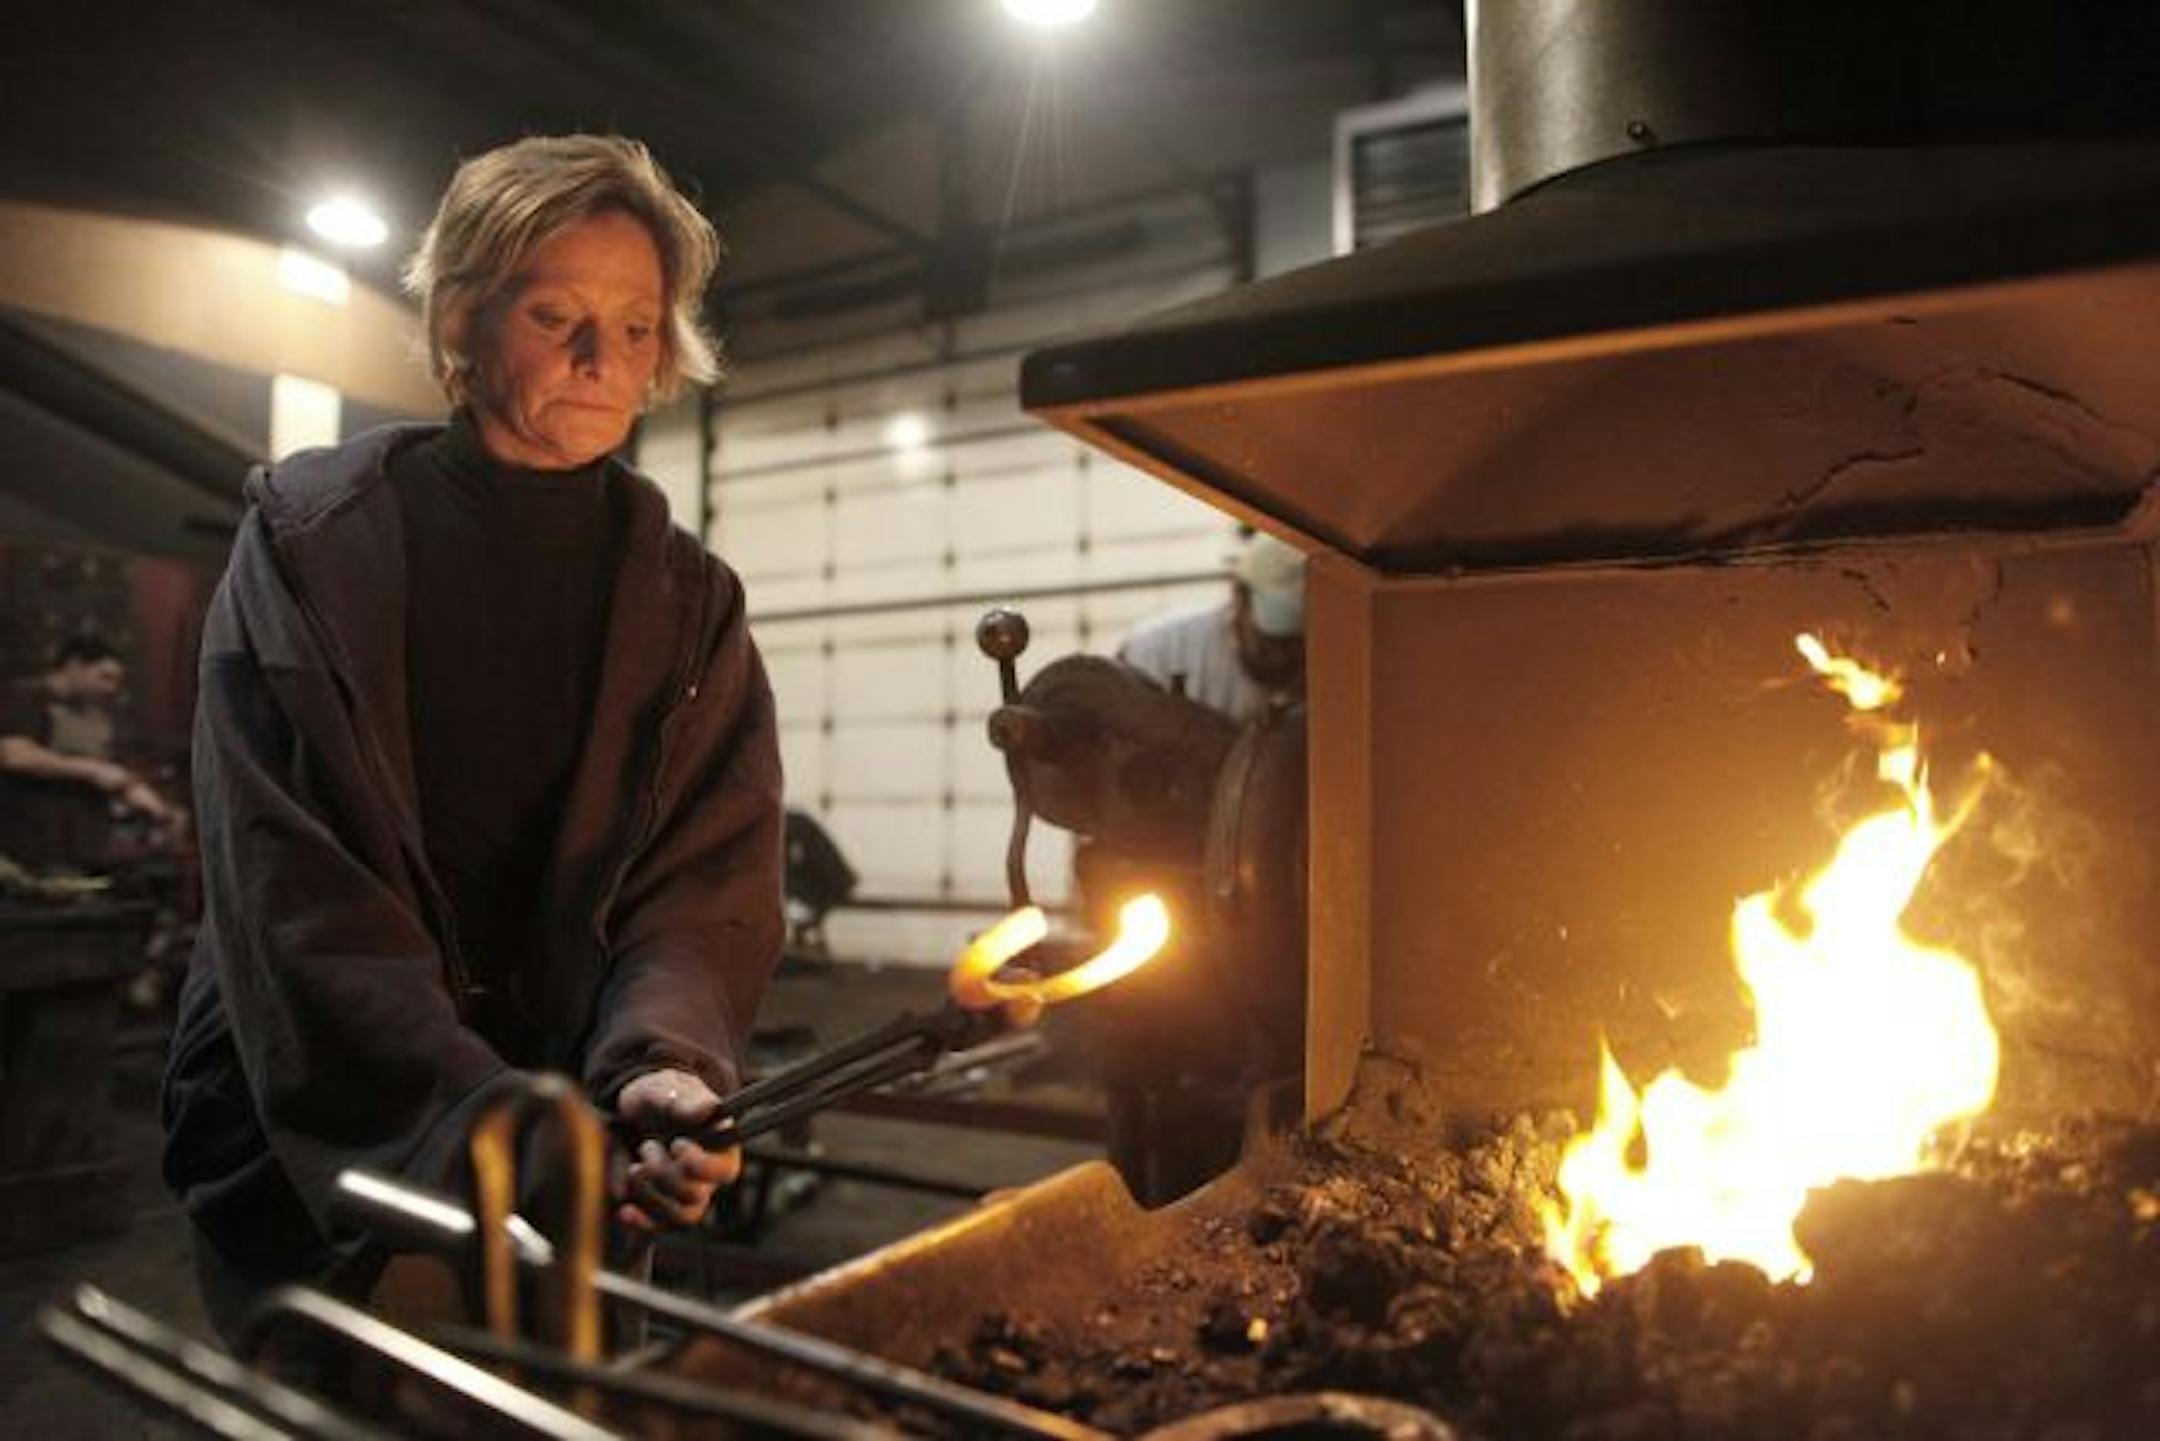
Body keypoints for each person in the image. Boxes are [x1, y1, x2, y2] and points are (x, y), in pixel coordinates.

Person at [159, 134, 784, 1336]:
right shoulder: (313, 547)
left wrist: (663, 1064)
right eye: (557, 316)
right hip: (320, 1137)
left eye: (639, 325)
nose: (606, 360)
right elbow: (295, 896)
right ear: (460, 320)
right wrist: (495, 1134)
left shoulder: (689, 603)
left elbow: (702, 883)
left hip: (579, 1139)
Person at [0, 633, 178, 870]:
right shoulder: (25, 698)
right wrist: (93, 771)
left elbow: (115, 769)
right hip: (30, 839)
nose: (111, 688)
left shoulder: (101, 715)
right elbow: (14, 754)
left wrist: (151, 803)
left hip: (85, 844)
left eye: (116, 681)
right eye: (104, 677)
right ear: (74, 666)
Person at [1116, 529, 1305, 723]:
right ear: (1239, 596)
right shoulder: (1157, 653)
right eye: (1272, 641)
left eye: (1297, 642)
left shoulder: (1321, 679)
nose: (1282, 657)